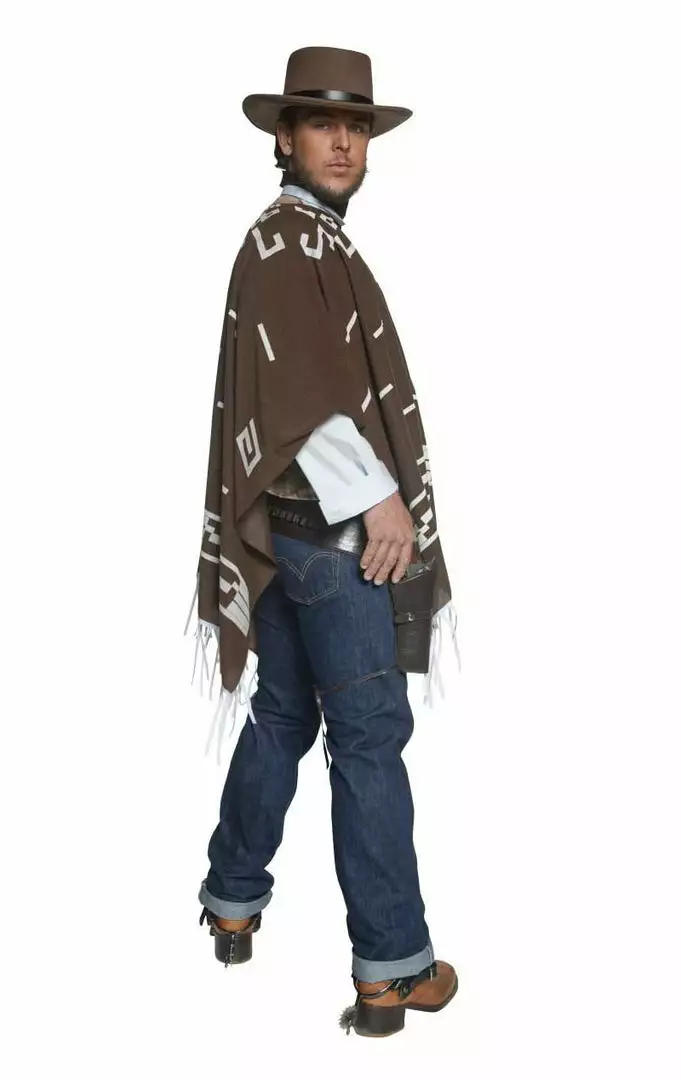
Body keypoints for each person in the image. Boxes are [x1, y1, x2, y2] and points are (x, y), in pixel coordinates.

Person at [186, 46, 459, 1038]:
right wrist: (379, 499)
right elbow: (302, 398)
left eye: (356, 127)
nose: (342, 142)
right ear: (284, 137)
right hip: (335, 542)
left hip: (287, 539)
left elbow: (299, 387)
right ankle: (393, 966)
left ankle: (231, 897)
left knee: (282, 716)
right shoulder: (290, 243)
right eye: (320, 124)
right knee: (370, 736)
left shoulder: (301, 239)